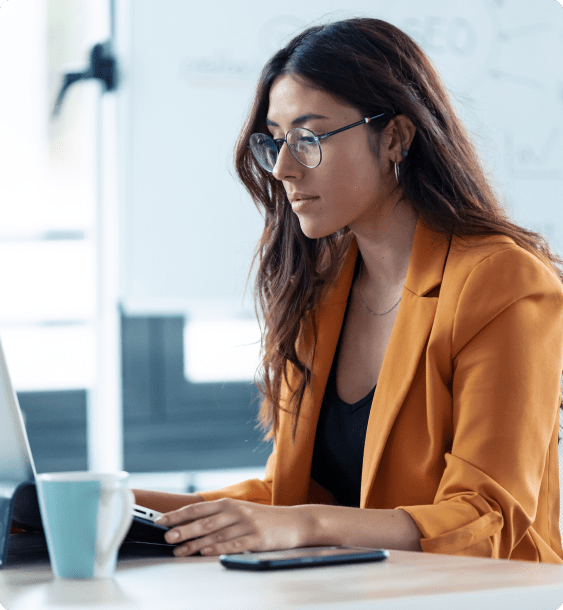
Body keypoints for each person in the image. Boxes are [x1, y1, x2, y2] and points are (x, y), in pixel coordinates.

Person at [133, 17, 563, 563]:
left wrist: (302, 526)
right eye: (277, 141)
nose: (284, 168)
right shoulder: (322, 285)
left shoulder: (504, 282)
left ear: (396, 139)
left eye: (309, 138)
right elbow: (287, 500)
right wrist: (118, 506)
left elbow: (487, 520)